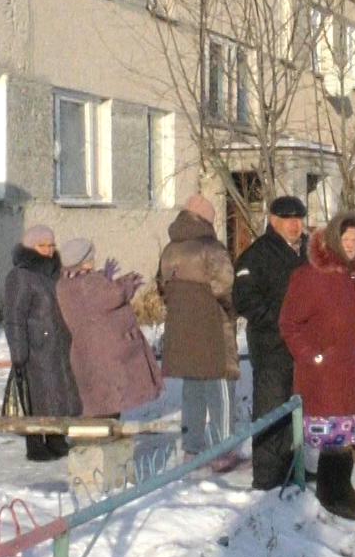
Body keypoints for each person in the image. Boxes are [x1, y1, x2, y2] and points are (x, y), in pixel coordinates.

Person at [278, 214, 355, 521]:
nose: (351, 247)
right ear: (335, 241)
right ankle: (330, 493)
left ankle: (345, 488)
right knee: (334, 440)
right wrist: (312, 355)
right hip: (327, 373)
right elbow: (289, 324)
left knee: (349, 435)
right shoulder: (311, 276)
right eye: (346, 241)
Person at [158, 194, 243, 472]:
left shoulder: (170, 250)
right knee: (220, 390)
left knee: (192, 391)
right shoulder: (211, 249)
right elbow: (226, 289)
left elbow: (163, 290)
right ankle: (223, 449)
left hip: (181, 331)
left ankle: (192, 450)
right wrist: (235, 312)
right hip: (212, 330)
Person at [233, 196, 308, 491]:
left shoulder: (305, 253)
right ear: (273, 221)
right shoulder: (257, 255)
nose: (295, 225)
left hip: (300, 346)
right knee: (270, 407)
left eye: (299, 219)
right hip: (271, 344)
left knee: (294, 408)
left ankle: (291, 468)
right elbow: (245, 300)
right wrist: (280, 323)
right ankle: (266, 476)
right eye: (289, 220)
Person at [56, 237, 161, 421]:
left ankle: (99, 441)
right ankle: (104, 445)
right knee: (108, 405)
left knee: (97, 403)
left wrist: (105, 277)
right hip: (103, 353)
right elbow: (114, 295)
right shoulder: (89, 283)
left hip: (85, 352)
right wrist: (128, 283)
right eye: (91, 256)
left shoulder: (65, 284)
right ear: (85, 260)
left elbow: (98, 296)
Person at [3, 224, 79, 462]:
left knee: (57, 394)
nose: (48, 250)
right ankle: (35, 444)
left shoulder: (55, 273)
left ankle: (56, 438)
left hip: (58, 345)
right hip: (34, 348)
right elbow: (14, 317)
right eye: (42, 245)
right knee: (36, 396)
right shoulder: (20, 276)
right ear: (30, 247)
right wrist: (18, 352)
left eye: (51, 245)